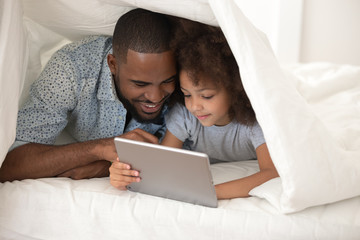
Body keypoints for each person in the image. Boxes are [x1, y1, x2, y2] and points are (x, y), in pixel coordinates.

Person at [0, 9, 177, 182]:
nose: (155, 97)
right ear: (113, 65)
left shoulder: (186, 72)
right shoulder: (70, 69)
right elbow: (9, 164)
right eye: (140, 84)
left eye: (167, 81)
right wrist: (99, 149)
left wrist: (103, 167)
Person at [109, 19, 279, 199]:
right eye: (186, 94)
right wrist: (122, 174)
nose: (194, 106)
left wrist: (210, 193)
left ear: (235, 89)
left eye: (206, 96)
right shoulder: (185, 115)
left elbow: (271, 172)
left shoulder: (255, 122)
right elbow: (162, 163)